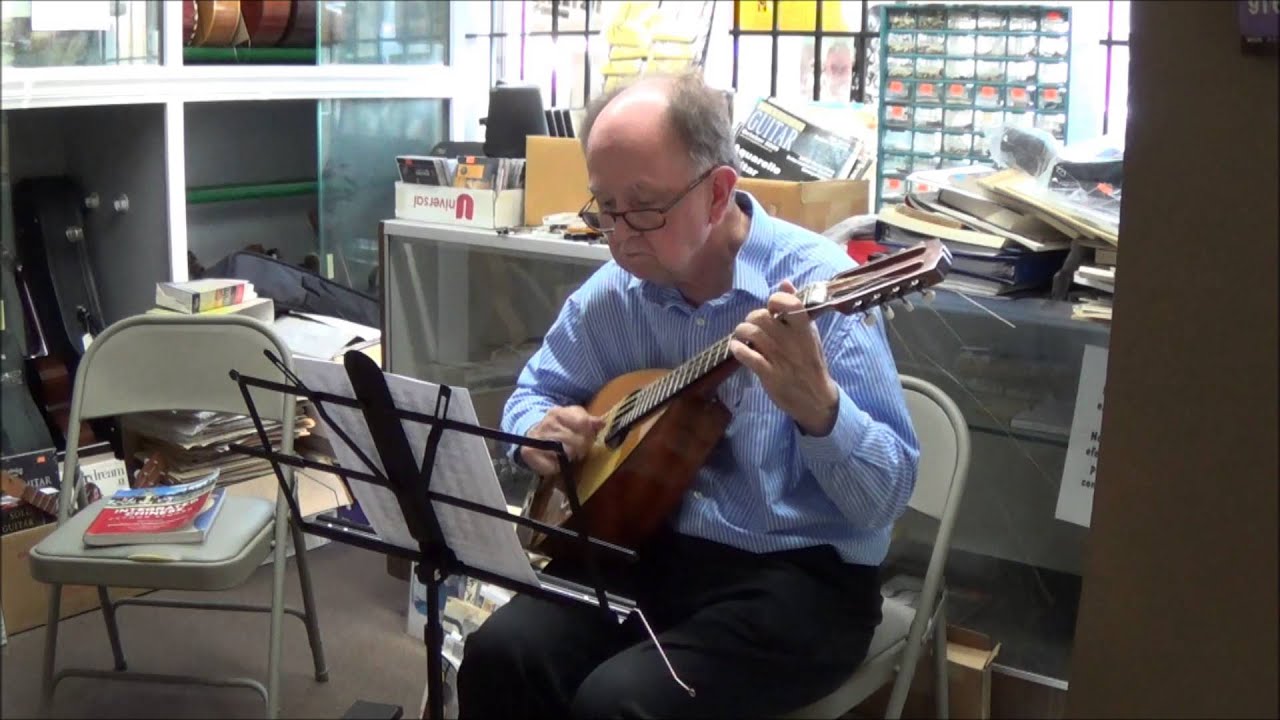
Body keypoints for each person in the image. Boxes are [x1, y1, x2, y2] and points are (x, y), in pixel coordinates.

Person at [457, 72, 920, 719]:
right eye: (604, 206)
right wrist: (540, 428)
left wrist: (822, 412)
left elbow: (886, 498)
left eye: (643, 207)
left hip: (798, 580)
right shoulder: (617, 292)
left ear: (718, 191)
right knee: (501, 656)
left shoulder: (822, 296)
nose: (618, 234)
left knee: (617, 705)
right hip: (644, 545)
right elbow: (535, 391)